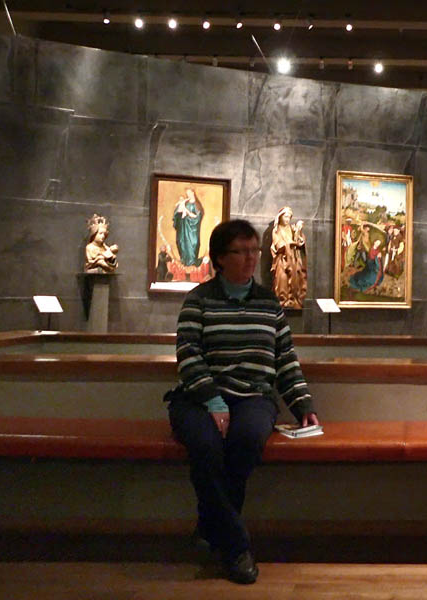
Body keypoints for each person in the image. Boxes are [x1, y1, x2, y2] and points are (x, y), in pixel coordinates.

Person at [168, 219, 319, 585]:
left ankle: (210, 528)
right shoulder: (199, 300)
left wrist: (302, 405)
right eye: (241, 251)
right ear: (220, 258)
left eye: (254, 250)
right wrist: (212, 400)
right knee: (205, 446)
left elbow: (285, 359)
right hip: (199, 398)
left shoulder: (268, 302)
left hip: (253, 396)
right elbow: (188, 354)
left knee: (247, 440)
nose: (251, 258)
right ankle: (236, 548)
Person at [270, 206, 307, 309]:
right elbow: (278, 245)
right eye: (285, 217)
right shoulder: (276, 230)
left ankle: (293, 299)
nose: (287, 219)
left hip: (293, 260)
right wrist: (291, 244)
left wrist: (300, 237)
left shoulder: (291, 228)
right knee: (282, 279)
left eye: (289, 217)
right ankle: (283, 300)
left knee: (295, 280)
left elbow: (299, 240)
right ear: (280, 217)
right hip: (282, 260)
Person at [173, 188, 204, 267]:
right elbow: (178, 213)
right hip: (183, 228)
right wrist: (180, 208)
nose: (188, 195)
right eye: (187, 193)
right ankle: (184, 261)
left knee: (194, 243)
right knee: (181, 242)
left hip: (193, 229)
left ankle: (193, 262)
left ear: (193, 193)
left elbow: (198, 216)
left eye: (189, 193)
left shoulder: (197, 204)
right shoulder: (185, 203)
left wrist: (187, 212)